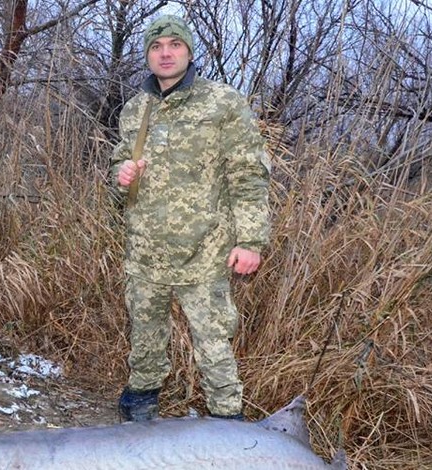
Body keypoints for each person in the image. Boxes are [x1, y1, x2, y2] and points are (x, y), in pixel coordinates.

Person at [109, 15, 271, 421]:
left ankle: (227, 425)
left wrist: (250, 241)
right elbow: (118, 173)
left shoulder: (222, 102)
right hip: (145, 252)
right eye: (157, 45)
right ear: (147, 54)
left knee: (214, 344)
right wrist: (120, 176)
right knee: (144, 340)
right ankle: (140, 414)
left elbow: (248, 174)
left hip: (205, 251)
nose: (165, 53)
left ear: (189, 51)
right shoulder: (135, 109)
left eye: (174, 44)